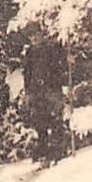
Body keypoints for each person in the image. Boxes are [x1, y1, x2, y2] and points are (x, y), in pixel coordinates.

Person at [21, 31, 70, 164]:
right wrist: (28, 92)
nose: (34, 38)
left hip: (51, 89)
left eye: (36, 35)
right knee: (39, 121)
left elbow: (61, 66)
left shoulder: (51, 48)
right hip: (36, 92)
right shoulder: (30, 53)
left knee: (55, 120)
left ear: (41, 35)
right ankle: (44, 150)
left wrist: (67, 64)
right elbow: (27, 73)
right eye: (31, 36)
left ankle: (57, 150)